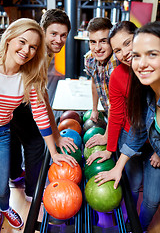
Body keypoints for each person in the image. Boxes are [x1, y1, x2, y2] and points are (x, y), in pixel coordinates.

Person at [0, 18, 77, 229]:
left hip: (4, 129)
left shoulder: (30, 72)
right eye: (22, 42)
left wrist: (54, 150)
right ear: (9, 39)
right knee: (28, 149)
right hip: (12, 121)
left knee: (2, 185)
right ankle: (21, 195)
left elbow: (42, 110)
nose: (26, 50)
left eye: (33, 47)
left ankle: (7, 202)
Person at [93, 21, 160, 232]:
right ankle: (127, 221)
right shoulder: (143, 87)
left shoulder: (148, 80)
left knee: (152, 197)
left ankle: (138, 226)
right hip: (133, 136)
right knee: (131, 184)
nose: (126, 54)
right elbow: (135, 125)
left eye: (152, 54)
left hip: (153, 145)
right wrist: (113, 154)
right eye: (118, 50)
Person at [84, 17, 120, 144]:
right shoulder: (90, 59)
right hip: (110, 113)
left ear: (111, 41)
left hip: (126, 118)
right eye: (93, 42)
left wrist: (106, 137)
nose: (97, 48)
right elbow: (94, 82)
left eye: (103, 41)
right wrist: (94, 109)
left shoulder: (116, 63)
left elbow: (115, 106)